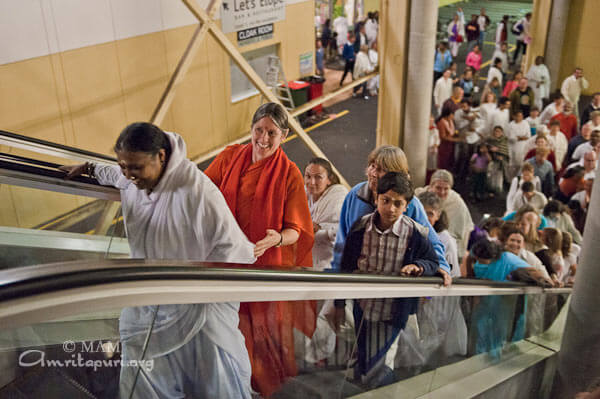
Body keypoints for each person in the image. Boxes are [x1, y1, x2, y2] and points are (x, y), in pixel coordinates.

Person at [60, 123, 257, 398]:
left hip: (197, 309)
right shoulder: (132, 179)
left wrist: (196, 288)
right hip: (150, 299)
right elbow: (114, 174)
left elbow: (234, 250)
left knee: (214, 382)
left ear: (161, 157)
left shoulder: (198, 193)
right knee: (144, 373)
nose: (128, 176)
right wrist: (90, 168)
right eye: (124, 166)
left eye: (135, 168)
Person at [204, 103, 315, 397]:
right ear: (251, 129)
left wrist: (276, 238)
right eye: (259, 131)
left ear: (284, 135)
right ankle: (233, 385)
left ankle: (263, 388)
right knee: (227, 327)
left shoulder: (290, 174)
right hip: (225, 261)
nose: (263, 139)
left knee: (264, 331)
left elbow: (298, 230)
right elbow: (201, 191)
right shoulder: (229, 157)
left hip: (264, 264)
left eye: (272, 133)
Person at [335, 172, 439, 386]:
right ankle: (366, 382)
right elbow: (345, 268)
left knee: (379, 362)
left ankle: (376, 387)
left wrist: (419, 266)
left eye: (398, 203)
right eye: (386, 201)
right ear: (376, 199)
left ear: (406, 206)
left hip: (393, 312)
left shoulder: (415, 233)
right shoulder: (360, 229)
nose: (391, 208)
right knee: (364, 354)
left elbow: (432, 261)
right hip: (363, 307)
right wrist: (339, 304)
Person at [331, 145, 452, 284]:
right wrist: (337, 277)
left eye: (382, 170)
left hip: (395, 281)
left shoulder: (411, 203)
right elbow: (342, 242)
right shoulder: (355, 194)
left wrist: (441, 266)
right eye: (372, 166)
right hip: (357, 280)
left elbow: (431, 241)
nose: (374, 173)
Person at [415, 169, 474, 256]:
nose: (442, 192)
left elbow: (463, 230)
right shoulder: (419, 196)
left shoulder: (456, 202)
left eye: (446, 189)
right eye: (438, 188)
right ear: (431, 186)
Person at [304, 158, 348, 271]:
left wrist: (320, 228)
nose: (312, 182)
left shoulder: (339, 195)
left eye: (318, 177)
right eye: (308, 176)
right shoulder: (302, 193)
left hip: (328, 267)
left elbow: (342, 231)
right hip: (305, 265)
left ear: (329, 179)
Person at [419, 191, 459, 275]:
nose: (425, 218)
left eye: (430, 214)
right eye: (422, 213)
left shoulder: (447, 240)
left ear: (438, 215)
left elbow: (454, 273)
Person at [507, 110, 531, 178]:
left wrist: (519, 137)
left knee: (522, 164)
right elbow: (512, 138)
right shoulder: (511, 125)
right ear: (514, 116)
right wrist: (521, 137)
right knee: (513, 165)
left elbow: (528, 136)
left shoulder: (526, 123)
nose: (519, 117)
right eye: (518, 116)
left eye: (521, 116)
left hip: (523, 146)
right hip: (513, 147)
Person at [487, 125, 510, 192]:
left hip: (503, 158)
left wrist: (501, 156)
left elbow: (505, 151)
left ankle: (505, 185)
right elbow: (485, 147)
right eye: (496, 131)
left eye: (499, 131)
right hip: (492, 159)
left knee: (504, 170)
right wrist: (490, 149)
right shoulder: (489, 140)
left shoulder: (505, 140)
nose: (497, 133)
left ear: (502, 132)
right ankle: (491, 188)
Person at [427, 114, 441, 181]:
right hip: (424, 150)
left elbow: (437, 140)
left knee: (432, 166)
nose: (431, 122)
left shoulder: (435, 130)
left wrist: (435, 146)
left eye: (432, 121)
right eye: (429, 121)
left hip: (431, 149)